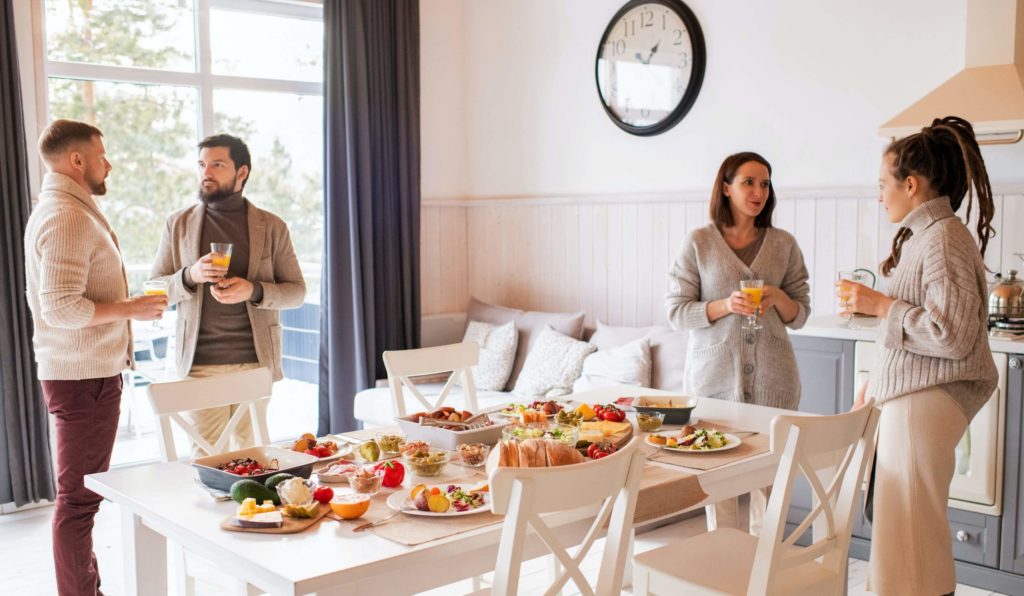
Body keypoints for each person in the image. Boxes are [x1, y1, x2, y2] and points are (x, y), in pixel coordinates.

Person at [842, 116, 998, 596]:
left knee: (909, 533)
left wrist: (881, 305)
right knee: (908, 534)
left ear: (911, 184)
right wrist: (875, 387)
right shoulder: (930, 237)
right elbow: (920, 333)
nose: (880, 194)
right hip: (913, 399)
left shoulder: (943, 238)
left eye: (883, 184)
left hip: (925, 403)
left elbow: (949, 335)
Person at [24, 119, 168, 595]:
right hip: (83, 379)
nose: (109, 164)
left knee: (79, 498)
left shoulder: (65, 209)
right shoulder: (66, 215)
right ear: (77, 161)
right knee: (79, 501)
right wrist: (132, 309)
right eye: (102, 155)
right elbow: (61, 308)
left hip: (86, 376)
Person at [665, 151, 811, 533]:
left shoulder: (783, 244)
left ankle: (765, 574)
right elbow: (676, 312)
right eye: (749, 182)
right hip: (714, 382)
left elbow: (802, 313)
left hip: (774, 382)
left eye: (765, 183)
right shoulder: (698, 243)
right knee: (720, 480)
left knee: (770, 478)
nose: (758, 191)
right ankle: (724, 569)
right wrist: (723, 306)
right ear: (726, 188)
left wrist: (780, 300)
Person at [149, 134, 305, 455]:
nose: (206, 172)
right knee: (206, 460)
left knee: (253, 458)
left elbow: (297, 292)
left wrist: (255, 289)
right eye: (202, 164)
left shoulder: (272, 226)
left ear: (242, 172)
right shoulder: (177, 224)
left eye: (217, 164)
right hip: (200, 364)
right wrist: (190, 275)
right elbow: (154, 288)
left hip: (254, 363)